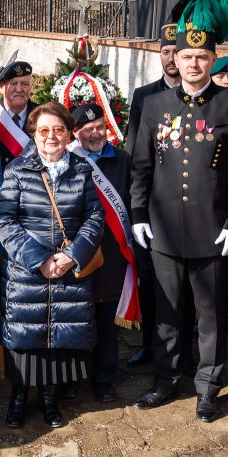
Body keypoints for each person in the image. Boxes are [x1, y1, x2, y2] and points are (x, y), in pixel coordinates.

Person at [130, 0, 228, 422]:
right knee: (165, 310)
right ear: (175, 59)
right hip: (163, 230)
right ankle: (165, 379)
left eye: (202, 58)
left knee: (210, 315)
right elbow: (141, 165)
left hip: (213, 230)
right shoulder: (153, 105)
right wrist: (138, 214)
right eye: (186, 57)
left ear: (213, 59)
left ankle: (208, 385)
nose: (194, 64)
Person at [0, 102, 104, 428]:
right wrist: (39, 260)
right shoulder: (17, 169)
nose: (51, 137)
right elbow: (5, 220)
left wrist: (72, 256)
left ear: (69, 133)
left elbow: (95, 218)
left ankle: (47, 398)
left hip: (68, 269)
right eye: (44, 130)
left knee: (56, 338)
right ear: (34, 134)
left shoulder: (82, 171)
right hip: (28, 272)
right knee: (25, 337)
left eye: (58, 129)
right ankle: (18, 397)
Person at [121, 23, 180, 368]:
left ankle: (181, 348)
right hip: (151, 202)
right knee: (148, 277)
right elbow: (133, 148)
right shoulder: (144, 96)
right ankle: (149, 343)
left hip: (184, 201)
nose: (170, 58)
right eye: (165, 52)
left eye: (175, 51)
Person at [70, 104, 133, 403]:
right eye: (87, 129)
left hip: (112, 252)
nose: (95, 133)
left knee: (107, 318)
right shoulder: (69, 160)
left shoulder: (123, 160)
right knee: (78, 315)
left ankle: (104, 378)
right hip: (79, 250)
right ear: (75, 133)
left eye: (99, 127)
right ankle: (74, 375)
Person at [0, 55, 37, 167]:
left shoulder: (42, 114)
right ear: (1, 87)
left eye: (25, 84)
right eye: (13, 84)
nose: (19, 89)